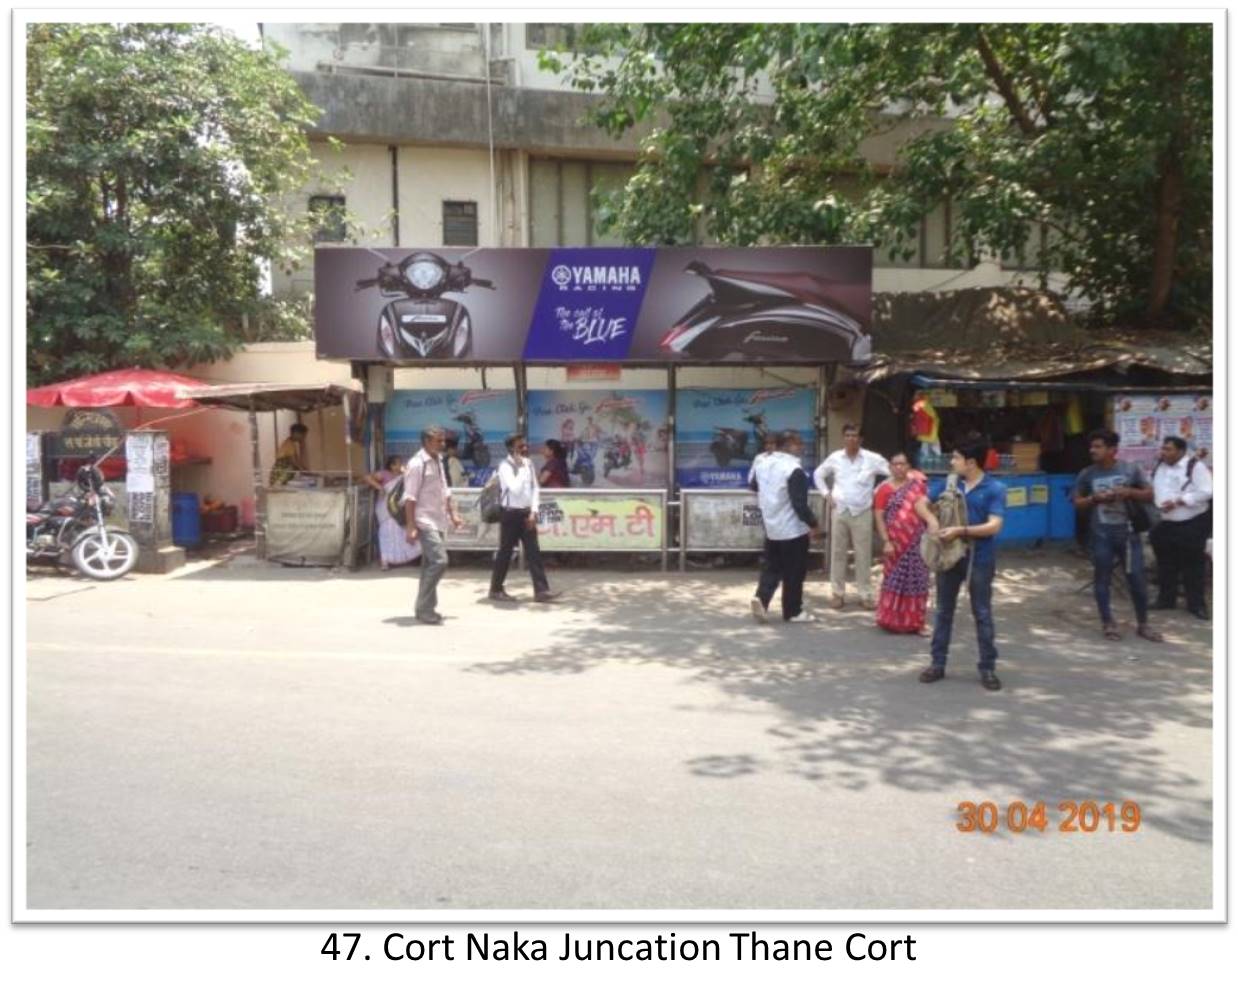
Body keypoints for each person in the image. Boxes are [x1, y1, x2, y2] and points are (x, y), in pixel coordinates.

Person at [914, 435, 1006, 691]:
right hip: (948, 556)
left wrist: (960, 531)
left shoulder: (995, 489)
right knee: (943, 611)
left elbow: (994, 525)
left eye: (955, 457)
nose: (951, 461)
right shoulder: (949, 483)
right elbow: (920, 503)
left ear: (971, 462)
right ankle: (937, 663)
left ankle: (987, 667)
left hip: (980, 559)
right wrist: (932, 521)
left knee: (982, 613)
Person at [1072, 429, 1163, 642]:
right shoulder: (1087, 474)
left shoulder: (1131, 469)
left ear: (1113, 450)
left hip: (1129, 534)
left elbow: (1150, 494)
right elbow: (1077, 503)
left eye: (1098, 447)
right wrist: (1095, 499)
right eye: (1092, 446)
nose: (1092, 450)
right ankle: (1108, 623)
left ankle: (1143, 624)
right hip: (1101, 534)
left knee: (1137, 580)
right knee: (1102, 578)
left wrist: (1129, 493)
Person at [813, 423, 890, 609]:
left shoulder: (872, 458)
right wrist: (826, 494)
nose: (850, 438)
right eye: (847, 435)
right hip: (840, 510)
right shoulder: (835, 458)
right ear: (843, 437)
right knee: (837, 553)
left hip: (862, 511)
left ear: (861, 439)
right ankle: (837, 593)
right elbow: (818, 474)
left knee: (863, 554)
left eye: (854, 435)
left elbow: (892, 473)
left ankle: (866, 594)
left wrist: (878, 490)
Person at [749, 430, 821, 624]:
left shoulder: (763, 464)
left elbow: (754, 485)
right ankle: (793, 611)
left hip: (772, 527)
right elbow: (799, 504)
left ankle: (761, 600)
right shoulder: (793, 470)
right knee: (794, 572)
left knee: (771, 568)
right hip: (792, 530)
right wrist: (814, 524)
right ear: (788, 445)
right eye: (798, 443)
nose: (802, 447)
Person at [403, 425, 463, 625]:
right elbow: (410, 498)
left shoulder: (438, 461)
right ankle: (423, 607)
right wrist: (411, 525)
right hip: (423, 520)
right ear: (427, 442)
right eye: (439, 441)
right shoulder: (417, 464)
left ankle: (426, 609)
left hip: (438, 519)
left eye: (443, 440)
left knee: (430, 565)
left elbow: (445, 489)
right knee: (439, 561)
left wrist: (453, 514)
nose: (443, 444)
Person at [489, 434, 559, 603]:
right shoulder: (504, 466)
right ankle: (496, 589)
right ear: (511, 449)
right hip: (511, 514)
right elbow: (514, 488)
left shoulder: (528, 464)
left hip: (527, 513)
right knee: (505, 552)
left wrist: (534, 511)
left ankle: (541, 591)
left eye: (525, 445)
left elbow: (535, 488)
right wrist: (520, 468)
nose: (524, 449)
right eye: (520, 447)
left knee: (534, 552)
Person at [1150, 435, 1212, 619]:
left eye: (1168, 449)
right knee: (1165, 563)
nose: (1164, 452)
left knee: (1193, 565)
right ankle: (1166, 599)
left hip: (1192, 522)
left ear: (1181, 451)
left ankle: (1196, 605)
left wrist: (1180, 501)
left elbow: (1208, 491)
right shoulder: (1160, 466)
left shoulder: (1195, 466)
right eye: (1163, 448)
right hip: (1167, 521)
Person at [873, 453, 931, 635]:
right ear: (890, 467)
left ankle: (917, 622)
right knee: (893, 581)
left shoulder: (919, 486)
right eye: (895, 464)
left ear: (909, 466)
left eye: (902, 464)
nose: (899, 467)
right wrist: (886, 541)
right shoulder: (884, 490)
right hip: (895, 544)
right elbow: (879, 517)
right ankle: (890, 619)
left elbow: (927, 510)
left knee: (918, 581)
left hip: (917, 542)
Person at [362, 455, 420, 570]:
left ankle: (405, 558)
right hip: (385, 509)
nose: (400, 465)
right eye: (398, 463)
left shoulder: (402, 476)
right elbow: (366, 477)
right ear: (392, 466)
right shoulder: (384, 474)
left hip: (398, 509)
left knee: (401, 532)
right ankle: (385, 560)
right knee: (386, 534)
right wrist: (379, 487)